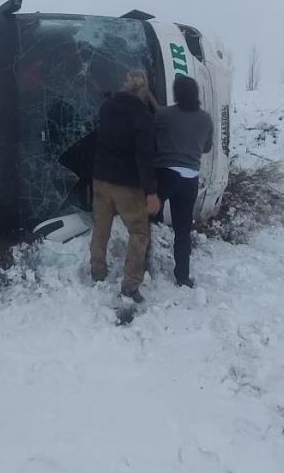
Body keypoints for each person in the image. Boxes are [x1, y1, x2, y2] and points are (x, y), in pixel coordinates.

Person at [89, 70, 161, 302]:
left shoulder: (106, 107)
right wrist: (151, 192)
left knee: (101, 228)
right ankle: (130, 285)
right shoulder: (142, 116)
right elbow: (145, 157)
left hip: (100, 179)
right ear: (144, 92)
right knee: (139, 232)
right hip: (127, 186)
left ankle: (97, 271)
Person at [153, 74, 214, 287]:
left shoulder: (165, 115)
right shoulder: (205, 119)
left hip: (166, 174)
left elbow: (152, 128)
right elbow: (207, 147)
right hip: (190, 178)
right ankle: (182, 276)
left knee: (149, 219)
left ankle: (143, 266)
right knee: (182, 229)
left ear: (176, 93)